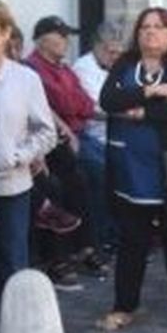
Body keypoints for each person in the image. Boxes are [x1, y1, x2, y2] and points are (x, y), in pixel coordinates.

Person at [97, 8, 167, 333]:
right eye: (145, 27)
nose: (151, 32)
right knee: (132, 240)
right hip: (131, 168)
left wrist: (142, 114)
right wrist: (150, 92)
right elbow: (108, 100)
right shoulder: (125, 64)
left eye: (159, 27)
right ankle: (124, 306)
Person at [0, 0, 56, 298]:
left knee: (12, 265)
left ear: (6, 33)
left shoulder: (25, 78)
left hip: (11, 185)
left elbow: (46, 131)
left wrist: (19, 155)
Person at [24, 15, 96, 289]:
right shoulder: (33, 69)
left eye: (67, 36)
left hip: (71, 135)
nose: (66, 41)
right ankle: (58, 258)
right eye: (61, 35)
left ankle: (85, 247)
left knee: (81, 178)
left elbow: (85, 104)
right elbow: (63, 103)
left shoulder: (65, 70)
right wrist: (69, 112)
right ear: (42, 39)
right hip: (42, 139)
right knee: (59, 184)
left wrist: (71, 110)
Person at [72, 21, 126, 268]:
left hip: (118, 134)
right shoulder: (84, 68)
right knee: (102, 172)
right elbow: (99, 107)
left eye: (119, 52)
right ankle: (105, 238)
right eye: (111, 52)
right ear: (98, 47)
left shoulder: (119, 65)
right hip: (92, 135)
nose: (115, 57)